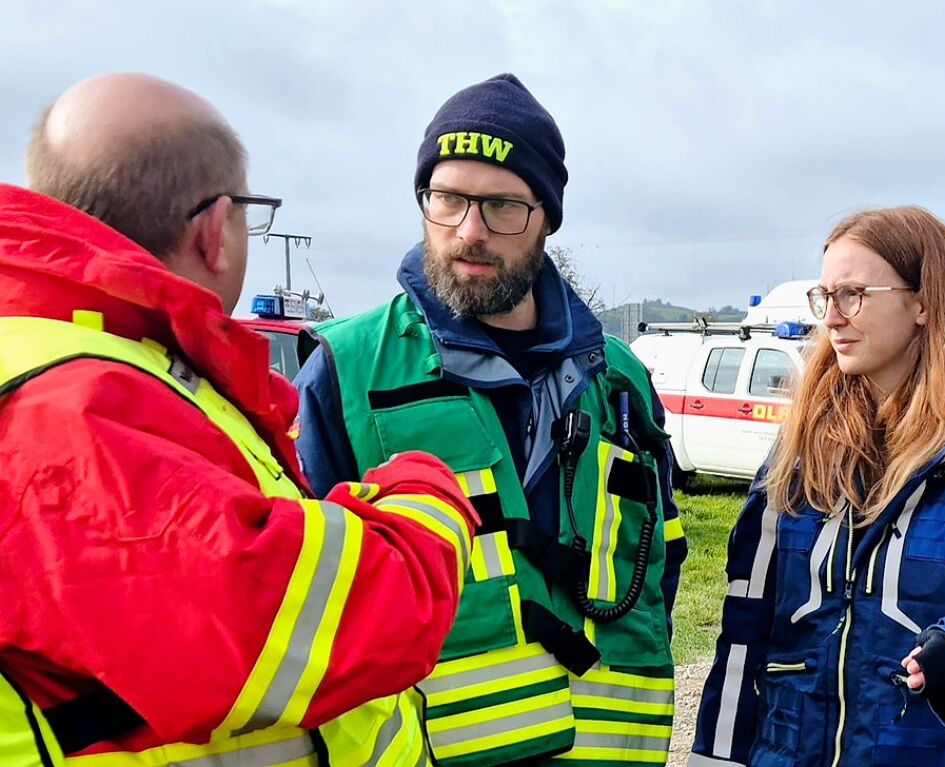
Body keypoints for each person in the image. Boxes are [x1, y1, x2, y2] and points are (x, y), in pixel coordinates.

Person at [0, 72, 478, 766]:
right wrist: (423, 491)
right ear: (212, 230)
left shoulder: (110, 362)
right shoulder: (67, 407)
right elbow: (297, 624)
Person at [294, 73, 687, 766]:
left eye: (502, 205)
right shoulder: (344, 372)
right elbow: (300, 613)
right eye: (447, 199)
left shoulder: (617, 377)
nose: (469, 232)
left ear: (546, 218)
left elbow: (665, 560)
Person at [692, 206, 945, 766]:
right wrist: (715, 755)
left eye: (853, 294)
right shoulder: (799, 443)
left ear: (924, 301)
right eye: (825, 297)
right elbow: (746, 622)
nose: (833, 318)